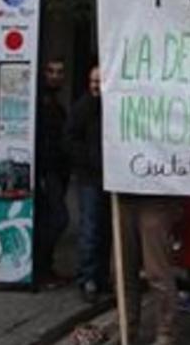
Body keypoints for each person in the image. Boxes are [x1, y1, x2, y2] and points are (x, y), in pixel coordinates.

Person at [65, 64, 108, 303]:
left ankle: (100, 277)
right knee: (90, 228)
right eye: (93, 81)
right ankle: (87, 278)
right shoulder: (82, 108)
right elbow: (70, 140)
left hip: (107, 178)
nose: (96, 86)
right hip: (90, 177)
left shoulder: (109, 107)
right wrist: (89, 161)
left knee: (104, 230)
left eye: (99, 82)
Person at [118, 196, 184, 345]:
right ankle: (126, 326)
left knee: (156, 270)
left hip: (156, 198)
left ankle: (166, 331)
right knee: (122, 270)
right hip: (124, 196)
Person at [34, 58, 71, 287]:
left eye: (59, 72)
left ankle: (45, 267)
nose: (55, 76)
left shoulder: (55, 104)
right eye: (51, 71)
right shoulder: (43, 103)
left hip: (56, 170)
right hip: (47, 170)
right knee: (56, 219)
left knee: (51, 219)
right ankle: (41, 268)